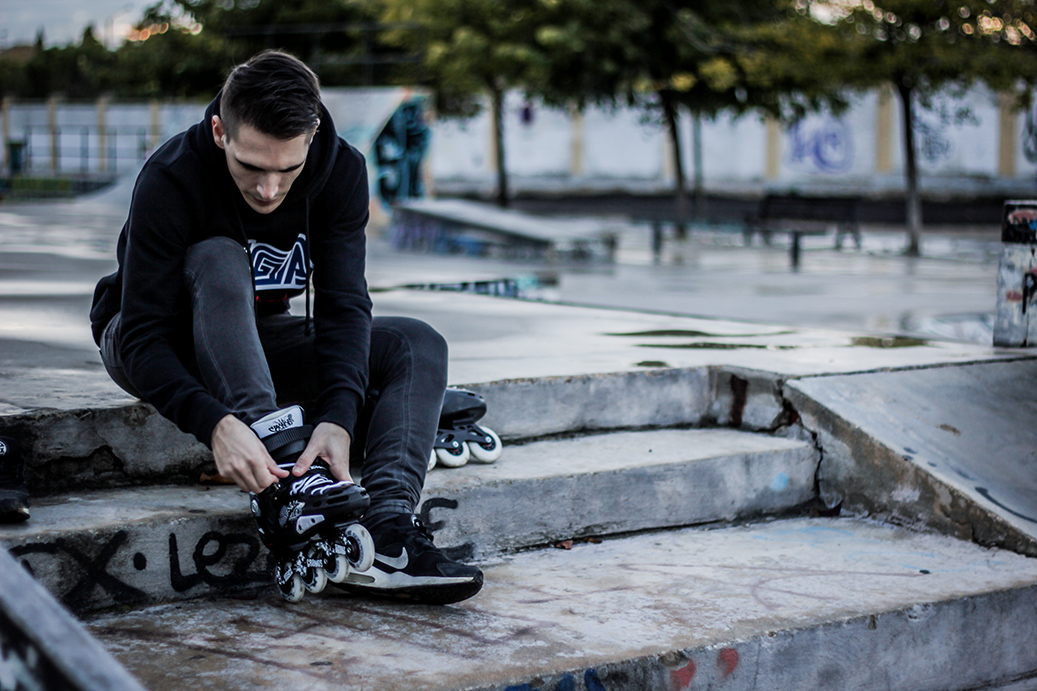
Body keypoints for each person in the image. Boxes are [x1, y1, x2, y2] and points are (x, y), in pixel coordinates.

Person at [89, 50, 482, 605]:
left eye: (287, 171)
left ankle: (389, 534)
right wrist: (217, 425)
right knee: (217, 255)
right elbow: (140, 336)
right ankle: (288, 485)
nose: (269, 190)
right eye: (251, 167)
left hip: (256, 341)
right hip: (154, 345)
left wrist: (340, 416)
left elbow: (345, 306)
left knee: (416, 343)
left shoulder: (341, 170)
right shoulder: (172, 175)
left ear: (312, 135)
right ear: (220, 132)